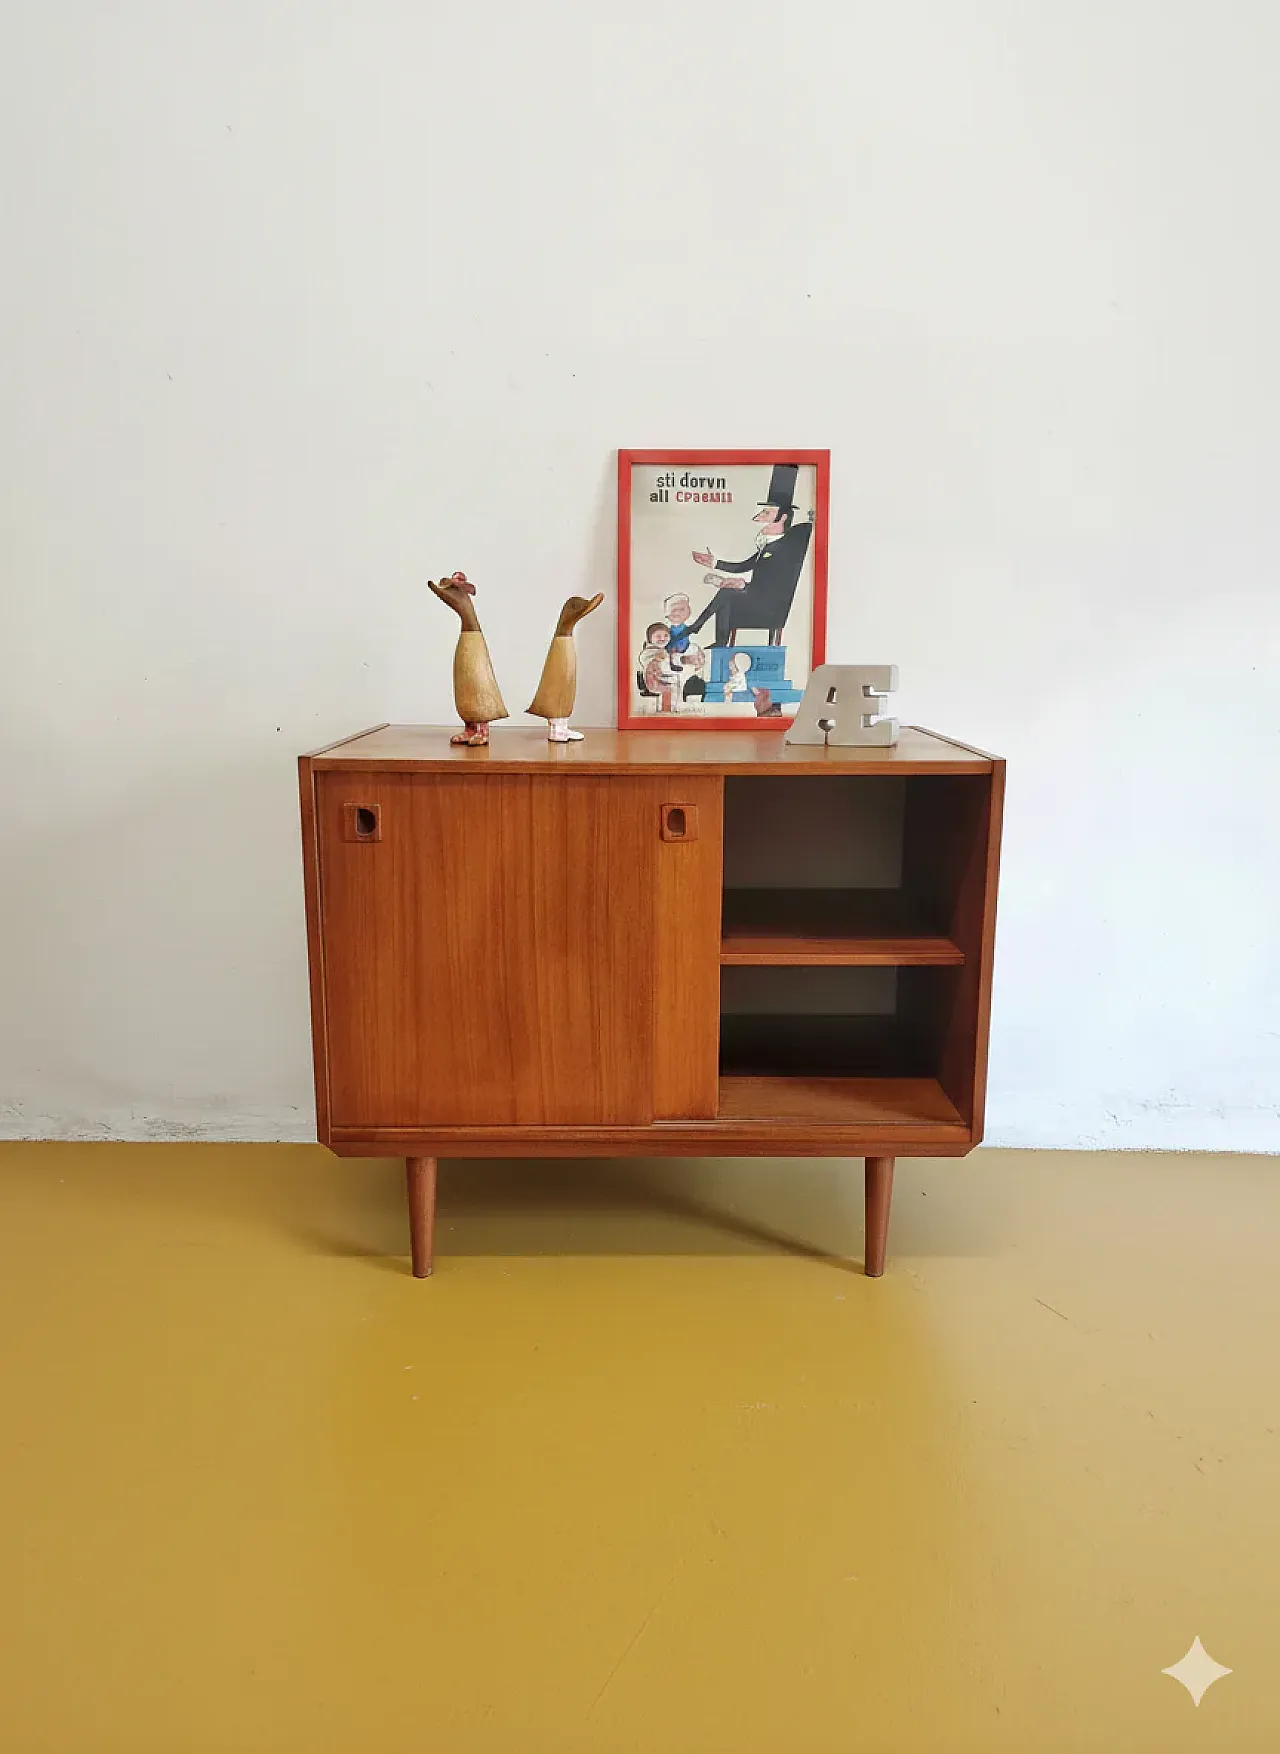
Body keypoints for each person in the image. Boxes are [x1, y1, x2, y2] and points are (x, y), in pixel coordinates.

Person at [687, 463, 812, 647]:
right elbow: (744, 566)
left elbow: (773, 582)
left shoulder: (784, 547)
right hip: (758, 599)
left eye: (768, 512)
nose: (760, 517)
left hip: (770, 606)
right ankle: (718, 639)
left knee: (726, 594)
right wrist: (714, 563)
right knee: (727, 595)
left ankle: (700, 628)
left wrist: (743, 585)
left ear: (783, 517)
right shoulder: (769, 544)